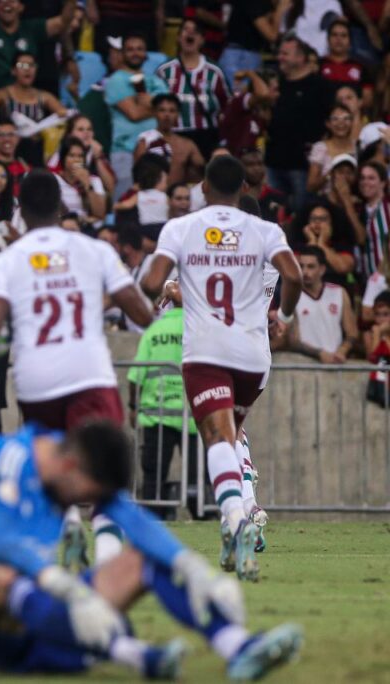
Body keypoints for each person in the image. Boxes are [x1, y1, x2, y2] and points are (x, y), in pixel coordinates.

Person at [0, 420, 304, 679]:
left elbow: (134, 520)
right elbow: (2, 542)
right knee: (5, 577)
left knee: (143, 558)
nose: (90, 506)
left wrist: (192, 568)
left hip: (39, 625)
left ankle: (238, 647)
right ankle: (136, 655)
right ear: (71, 466)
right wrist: (70, 591)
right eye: (89, 498)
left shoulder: (69, 468)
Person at [0, 168, 154, 573]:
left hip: (37, 382)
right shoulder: (94, 251)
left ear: (18, 211)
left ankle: (67, 524)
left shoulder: (4, 263)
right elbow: (141, 311)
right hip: (89, 374)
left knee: (54, 467)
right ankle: (105, 566)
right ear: (62, 206)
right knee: (103, 478)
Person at [140, 155, 304, 581]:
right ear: (243, 191)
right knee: (233, 433)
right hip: (255, 356)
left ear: (205, 189)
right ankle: (249, 505)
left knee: (217, 438)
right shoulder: (267, 234)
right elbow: (295, 277)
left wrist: (174, 289)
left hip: (210, 351)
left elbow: (151, 282)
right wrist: (283, 314)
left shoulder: (185, 228)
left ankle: (236, 520)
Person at [128, 302, 200, 518]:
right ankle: (203, 515)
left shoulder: (154, 331)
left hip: (156, 415)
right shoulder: (196, 328)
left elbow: (135, 375)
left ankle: (153, 516)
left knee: (153, 475)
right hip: (193, 416)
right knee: (198, 475)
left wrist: (133, 406)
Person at [266, 35, 335, 213]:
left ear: (300, 57)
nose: (279, 57)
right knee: (273, 215)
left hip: (303, 165)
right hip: (273, 162)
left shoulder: (321, 86)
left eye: (285, 53)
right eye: (279, 53)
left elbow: (331, 122)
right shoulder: (277, 85)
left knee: (301, 214)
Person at [105, 33, 170, 199]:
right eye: (130, 49)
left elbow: (169, 110)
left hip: (155, 150)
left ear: (146, 54)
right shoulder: (115, 81)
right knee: (125, 199)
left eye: (140, 49)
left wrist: (143, 101)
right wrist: (153, 104)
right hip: (125, 150)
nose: (135, 53)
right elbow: (134, 114)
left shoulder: (156, 81)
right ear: (122, 54)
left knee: (157, 200)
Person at [155, 18, 230, 158]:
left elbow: (227, 106)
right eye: (185, 30)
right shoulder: (164, 71)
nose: (190, 33)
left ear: (202, 40)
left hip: (206, 135)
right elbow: (155, 104)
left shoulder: (214, 72)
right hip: (174, 134)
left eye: (195, 31)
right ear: (178, 38)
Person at [0, 52, 69, 167]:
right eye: (22, 66)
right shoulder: (2, 95)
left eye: (31, 65)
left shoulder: (44, 97)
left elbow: (64, 115)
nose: (27, 69)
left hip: (36, 153)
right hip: (9, 151)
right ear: (13, 70)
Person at [289, 246, 358, 364]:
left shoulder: (339, 293)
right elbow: (293, 340)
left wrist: (342, 350)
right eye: (301, 266)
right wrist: (319, 353)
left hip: (335, 362)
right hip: (304, 364)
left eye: (311, 267)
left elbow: (352, 333)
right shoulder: (291, 296)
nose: (305, 272)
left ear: (322, 269)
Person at [134, 93, 205, 186]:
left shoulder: (187, 144)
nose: (167, 115)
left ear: (178, 114)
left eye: (172, 111)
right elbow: (137, 175)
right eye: (162, 110)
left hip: (178, 197)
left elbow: (202, 170)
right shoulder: (145, 141)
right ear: (155, 113)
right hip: (153, 196)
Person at [285, 200, 357, 288]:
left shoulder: (341, 243)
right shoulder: (298, 244)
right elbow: (292, 270)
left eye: (323, 219)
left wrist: (321, 244)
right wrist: (312, 242)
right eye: (313, 218)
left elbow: (344, 268)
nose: (317, 222)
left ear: (331, 222)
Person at [217, 0, 288, 88]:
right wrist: (281, 8)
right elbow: (272, 36)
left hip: (248, 55)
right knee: (237, 97)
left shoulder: (265, 5)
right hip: (240, 56)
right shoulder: (254, 2)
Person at [48, 114, 117, 197]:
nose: (86, 133)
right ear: (69, 134)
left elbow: (111, 188)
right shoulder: (61, 153)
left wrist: (98, 158)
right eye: (80, 129)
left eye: (89, 129)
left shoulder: (96, 152)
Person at [319, 18, 373, 110]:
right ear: (328, 39)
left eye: (343, 35)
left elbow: (367, 100)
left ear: (350, 41)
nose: (338, 39)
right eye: (334, 35)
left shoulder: (361, 66)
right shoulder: (318, 65)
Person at [53, 136, 107, 227]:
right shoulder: (54, 180)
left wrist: (88, 185)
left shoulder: (94, 181)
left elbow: (100, 214)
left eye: (80, 156)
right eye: (72, 156)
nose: (77, 160)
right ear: (63, 159)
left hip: (89, 229)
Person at [306, 104, 358, 194]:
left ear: (352, 122)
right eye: (335, 119)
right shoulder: (320, 148)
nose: (341, 123)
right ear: (328, 124)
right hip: (327, 200)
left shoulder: (358, 146)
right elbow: (310, 186)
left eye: (346, 118)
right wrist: (330, 175)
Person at [352, 160, 390, 278]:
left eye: (371, 178)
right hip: (366, 279)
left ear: (383, 183)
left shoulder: (388, 208)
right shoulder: (357, 211)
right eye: (362, 178)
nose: (365, 182)